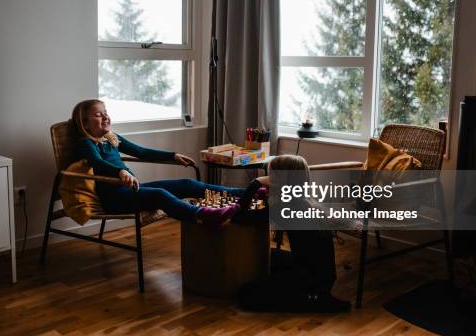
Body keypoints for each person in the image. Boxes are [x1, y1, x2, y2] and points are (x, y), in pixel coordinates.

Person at [72, 99, 244, 228]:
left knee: (187, 184)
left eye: (105, 112)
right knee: (159, 194)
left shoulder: (112, 138)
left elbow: (142, 152)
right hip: (114, 198)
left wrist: (172, 156)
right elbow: (97, 162)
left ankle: (241, 194)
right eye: (97, 114)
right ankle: (202, 216)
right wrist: (120, 172)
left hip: (132, 189)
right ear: (84, 123)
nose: (105, 116)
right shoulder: (86, 143)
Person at [238, 155, 350, 312]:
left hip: (310, 281)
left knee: (245, 294)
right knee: (269, 254)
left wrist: (255, 183)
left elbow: (240, 216)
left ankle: (312, 300)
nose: (270, 179)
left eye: (273, 175)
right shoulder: (307, 201)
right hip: (323, 277)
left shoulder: (285, 207)